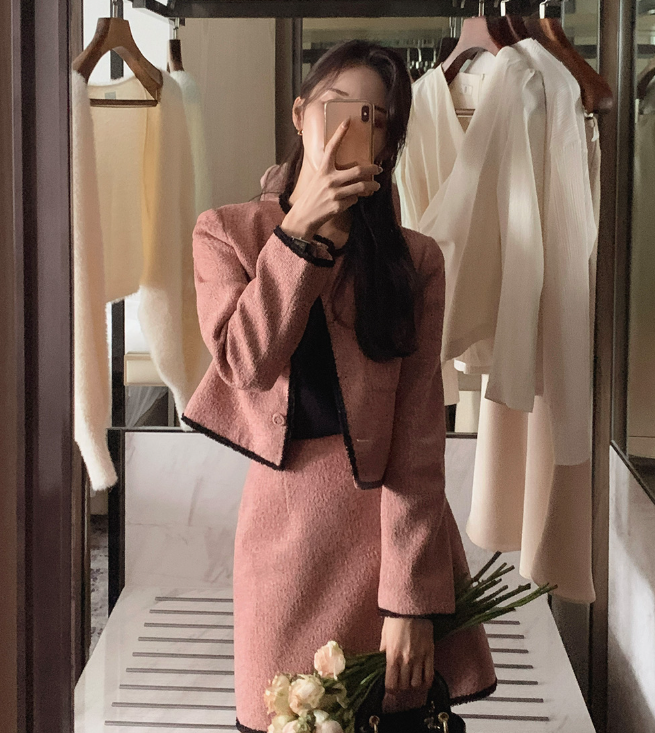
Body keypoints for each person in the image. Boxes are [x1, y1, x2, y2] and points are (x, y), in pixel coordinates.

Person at [181, 39, 497, 733]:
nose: (356, 129)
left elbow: (417, 443)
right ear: (301, 115)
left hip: (389, 540)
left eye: (376, 119)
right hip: (283, 542)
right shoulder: (227, 235)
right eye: (338, 109)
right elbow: (245, 362)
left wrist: (410, 599)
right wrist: (298, 231)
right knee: (280, 715)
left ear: (389, 143)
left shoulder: (414, 261)